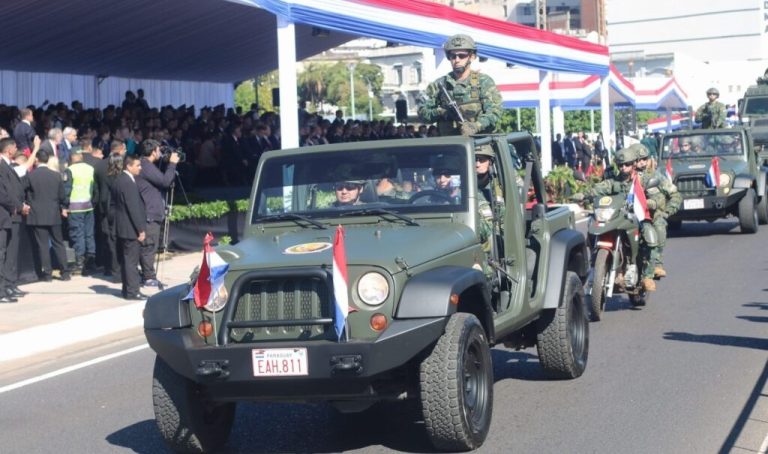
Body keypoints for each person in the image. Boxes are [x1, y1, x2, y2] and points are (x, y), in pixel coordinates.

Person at [573, 147, 657, 292]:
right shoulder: (613, 181)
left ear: (634, 164)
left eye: (627, 164)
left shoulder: (641, 179)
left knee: (650, 237)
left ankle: (646, 275)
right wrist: (583, 195)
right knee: (593, 225)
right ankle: (597, 265)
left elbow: (655, 195)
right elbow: (599, 188)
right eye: (620, 165)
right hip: (617, 217)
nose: (623, 168)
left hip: (637, 216)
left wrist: (652, 202)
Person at [417, 34, 502, 136]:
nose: (457, 60)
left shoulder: (484, 82)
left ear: (472, 57)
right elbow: (422, 113)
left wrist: (476, 126)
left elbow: (494, 112)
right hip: (450, 145)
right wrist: (441, 112)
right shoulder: (439, 84)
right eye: (453, 56)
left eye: (462, 56)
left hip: (479, 143)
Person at [632, 143, 681, 284]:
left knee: (659, 226)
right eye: (637, 159)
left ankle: (656, 263)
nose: (641, 163)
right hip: (626, 216)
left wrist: (667, 211)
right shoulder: (625, 176)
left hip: (651, 216)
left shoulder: (655, 176)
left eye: (644, 159)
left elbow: (675, 194)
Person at [136, 139, 179, 287]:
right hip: (149, 212)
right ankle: (148, 277)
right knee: (149, 246)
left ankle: (147, 274)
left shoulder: (147, 165)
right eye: (159, 150)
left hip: (151, 211)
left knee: (149, 245)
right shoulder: (146, 166)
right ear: (153, 152)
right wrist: (172, 164)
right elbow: (165, 181)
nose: (161, 153)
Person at [24, 149, 71, 282]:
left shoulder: (31, 176)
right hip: (53, 214)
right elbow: (62, 196)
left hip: (37, 215)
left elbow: (24, 193)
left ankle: (48, 274)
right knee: (59, 243)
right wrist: (63, 207)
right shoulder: (56, 176)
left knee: (42, 245)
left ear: (37, 160)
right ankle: (65, 272)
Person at [112, 154, 147, 300]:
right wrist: (140, 229)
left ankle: (127, 289)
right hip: (130, 228)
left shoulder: (119, 179)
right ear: (129, 166)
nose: (140, 168)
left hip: (122, 225)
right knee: (131, 261)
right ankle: (133, 291)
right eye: (137, 165)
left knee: (127, 259)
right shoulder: (127, 182)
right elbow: (132, 207)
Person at [0, 138, 30, 303]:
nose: (16, 148)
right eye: (15, 146)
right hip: (6, 214)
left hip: (10, 214)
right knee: (3, 253)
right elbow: (4, 193)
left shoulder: (9, 166)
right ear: (9, 149)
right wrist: (18, 207)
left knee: (9, 252)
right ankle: (2, 289)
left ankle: (8, 285)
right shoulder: (2, 166)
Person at [64, 147, 98, 275]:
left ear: (72, 157)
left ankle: (80, 262)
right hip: (88, 206)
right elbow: (95, 188)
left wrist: (64, 206)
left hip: (75, 208)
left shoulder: (70, 170)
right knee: (89, 234)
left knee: (77, 234)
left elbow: (66, 190)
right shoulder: (90, 168)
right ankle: (91, 261)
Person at [475, 144, 505, 257]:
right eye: (474, 160)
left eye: (482, 160)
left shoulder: (501, 185)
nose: (477, 164)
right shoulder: (464, 186)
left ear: (490, 162)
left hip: (499, 242)